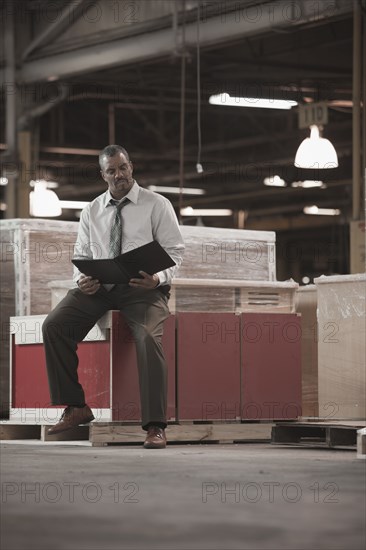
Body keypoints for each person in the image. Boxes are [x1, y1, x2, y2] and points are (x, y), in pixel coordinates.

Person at [42, 145, 185, 449]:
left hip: (142, 288)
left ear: (131, 167)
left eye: (123, 168)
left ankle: (155, 426)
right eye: (111, 170)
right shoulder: (91, 210)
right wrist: (81, 281)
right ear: (102, 174)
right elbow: (81, 253)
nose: (119, 175)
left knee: (148, 336)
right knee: (54, 325)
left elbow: (176, 252)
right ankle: (76, 406)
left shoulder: (156, 204)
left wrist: (158, 278)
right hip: (101, 289)